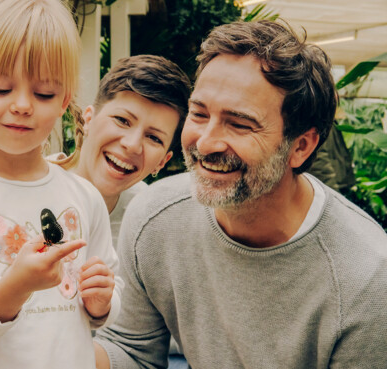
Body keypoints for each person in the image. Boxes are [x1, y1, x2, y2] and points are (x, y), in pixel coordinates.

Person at [95, 20, 387, 368]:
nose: (205, 143)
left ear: (301, 146)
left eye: (239, 124)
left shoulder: (367, 279)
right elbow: (132, 353)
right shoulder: (155, 217)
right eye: (199, 113)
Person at [0, 53, 191, 368]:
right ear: (88, 119)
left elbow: (152, 340)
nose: (132, 144)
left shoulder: (155, 224)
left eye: (153, 138)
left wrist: (98, 312)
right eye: (122, 120)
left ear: (163, 161)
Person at [0, 1, 123, 368]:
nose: (23, 105)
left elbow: (108, 282)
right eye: (0, 88)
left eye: (44, 93)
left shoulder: (84, 196)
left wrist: (102, 301)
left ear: (64, 100)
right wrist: (18, 283)